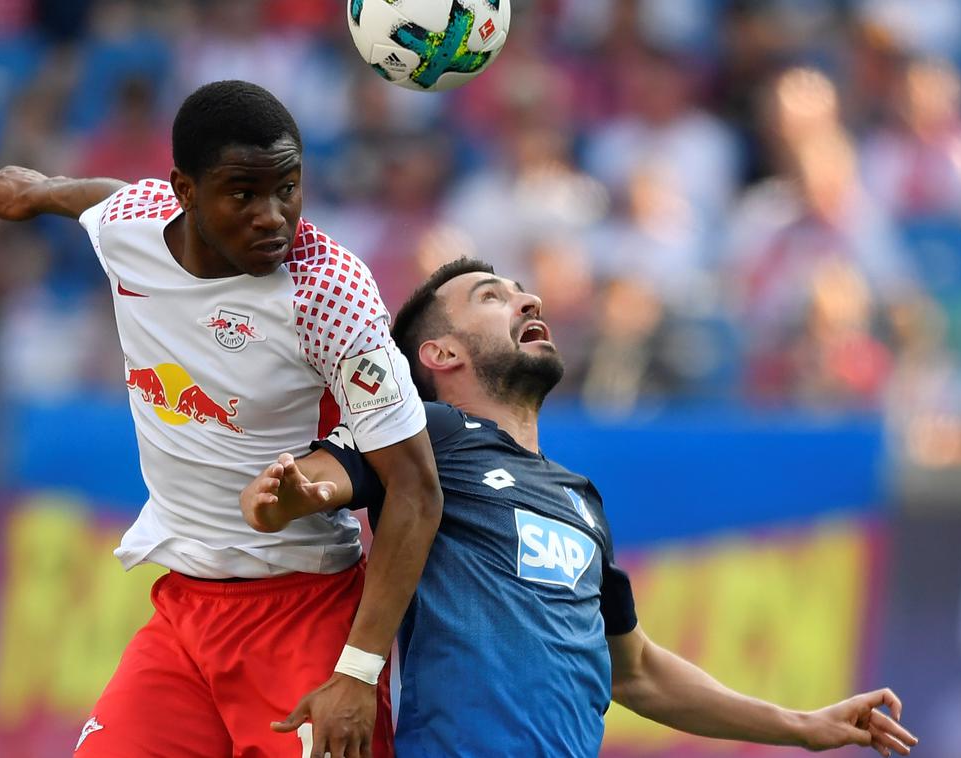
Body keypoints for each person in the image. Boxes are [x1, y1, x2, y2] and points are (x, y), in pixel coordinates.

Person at [240, 258, 920, 757]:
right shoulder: (427, 433)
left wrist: (802, 726)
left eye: (518, 290)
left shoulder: (579, 499)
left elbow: (638, 670)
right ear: (440, 352)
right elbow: (314, 479)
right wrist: (295, 494)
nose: (527, 297)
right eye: (491, 296)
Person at [0, 80, 443, 758]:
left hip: (302, 615)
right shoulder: (135, 226)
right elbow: (102, 199)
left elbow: (417, 487)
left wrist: (358, 673)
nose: (274, 216)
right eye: (243, 193)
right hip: (183, 619)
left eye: (289, 187)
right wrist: (39, 189)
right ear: (184, 191)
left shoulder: (330, 292)